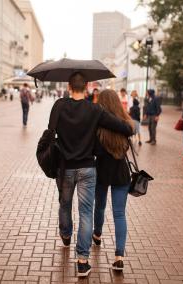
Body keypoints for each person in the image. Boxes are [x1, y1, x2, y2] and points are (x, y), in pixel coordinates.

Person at [49, 73, 134, 277]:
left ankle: (66, 233)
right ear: (86, 87)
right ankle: (82, 261)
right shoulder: (95, 110)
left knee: (65, 204)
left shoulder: (59, 105)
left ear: (69, 86)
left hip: (66, 167)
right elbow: (125, 128)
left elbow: (50, 132)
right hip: (88, 168)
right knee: (86, 212)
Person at [92, 89, 134, 271]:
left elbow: (95, 151)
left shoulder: (98, 126)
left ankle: (97, 234)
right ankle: (119, 256)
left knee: (99, 206)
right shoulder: (126, 123)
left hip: (102, 173)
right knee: (119, 214)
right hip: (121, 173)